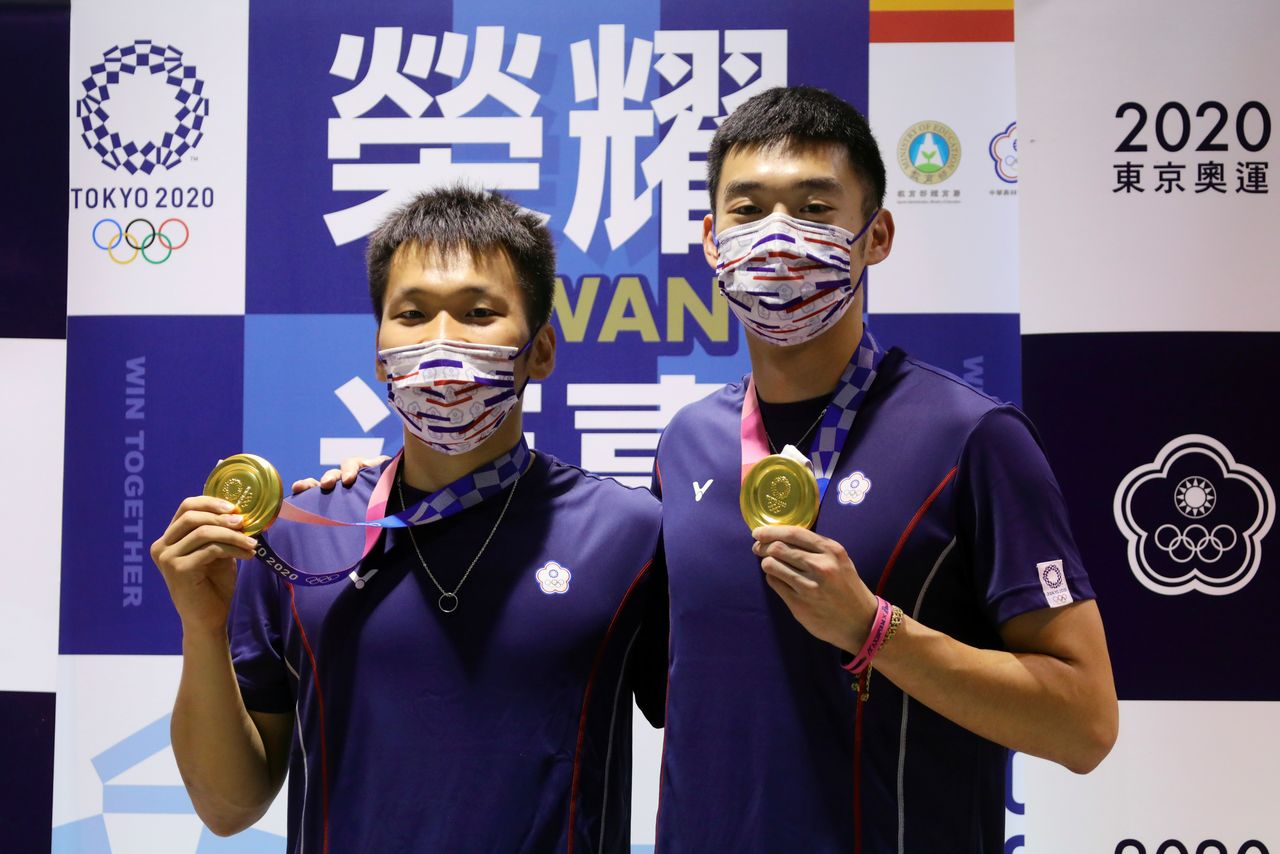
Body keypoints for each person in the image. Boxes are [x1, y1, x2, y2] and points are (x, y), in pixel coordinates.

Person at [649, 86, 1119, 852]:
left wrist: (873, 632)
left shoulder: (972, 438)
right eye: (748, 210)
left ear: (877, 235)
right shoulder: (686, 443)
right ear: (710, 239)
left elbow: (1085, 724)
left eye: (814, 207)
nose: (778, 237)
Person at [150, 187, 663, 852]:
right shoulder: (298, 535)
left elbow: (724, 744)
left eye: (479, 313)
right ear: (378, 355)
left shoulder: (629, 532)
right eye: (413, 315)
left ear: (541, 351)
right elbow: (228, 807)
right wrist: (202, 624)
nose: (442, 343)